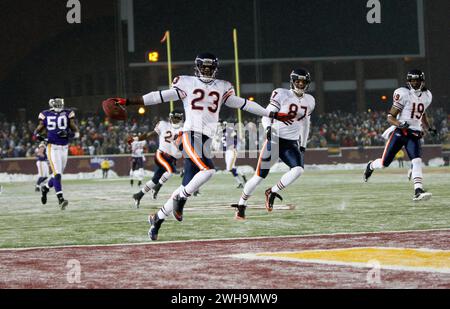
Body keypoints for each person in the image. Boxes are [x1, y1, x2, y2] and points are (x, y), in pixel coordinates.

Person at [107, 52, 294, 240]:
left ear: (215, 69)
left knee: (186, 185)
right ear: (197, 67)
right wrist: (128, 101)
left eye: (210, 67)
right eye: (203, 67)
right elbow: (158, 96)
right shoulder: (186, 82)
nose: (206, 70)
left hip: (205, 139)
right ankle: (181, 199)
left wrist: (272, 115)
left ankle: (157, 219)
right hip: (190, 134)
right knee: (208, 170)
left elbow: (244, 104)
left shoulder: (223, 87)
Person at [232, 69, 316, 220]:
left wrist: (302, 145)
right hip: (275, 140)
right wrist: (268, 128)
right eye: (298, 81)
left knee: (298, 170)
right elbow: (266, 114)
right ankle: (241, 205)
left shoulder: (310, 100)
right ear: (292, 81)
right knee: (258, 178)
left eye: (303, 82)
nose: (300, 84)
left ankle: (272, 191)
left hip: (291, 143)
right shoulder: (282, 94)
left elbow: (305, 124)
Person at [363, 69, 436, 201]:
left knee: (417, 160)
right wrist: (399, 124)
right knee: (385, 163)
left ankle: (418, 190)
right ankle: (371, 166)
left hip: (414, 133)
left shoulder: (427, 95)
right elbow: (390, 117)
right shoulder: (403, 93)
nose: (414, 83)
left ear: (422, 81)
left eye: (417, 80)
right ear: (408, 81)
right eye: (412, 80)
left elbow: (422, 113)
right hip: (400, 132)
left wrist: (429, 128)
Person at [34, 97, 80, 209]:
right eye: (57, 103)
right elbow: (36, 133)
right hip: (52, 147)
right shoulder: (45, 114)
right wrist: (39, 137)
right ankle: (61, 199)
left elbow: (77, 133)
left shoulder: (68, 113)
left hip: (64, 148)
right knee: (57, 174)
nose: (59, 105)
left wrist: (68, 135)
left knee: (57, 175)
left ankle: (45, 188)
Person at [133, 110, 184, 208]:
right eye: (175, 118)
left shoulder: (183, 129)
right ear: (170, 117)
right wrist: (137, 139)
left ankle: (138, 195)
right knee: (170, 171)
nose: (176, 120)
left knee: (155, 180)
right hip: (161, 155)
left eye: (178, 118)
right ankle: (157, 188)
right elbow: (150, 134)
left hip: (172, 158)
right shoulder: (163, 125)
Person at [221, 121, 247, 188]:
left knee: (230, 167)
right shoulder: (222, 132)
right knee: (230, 168)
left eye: (222, 125)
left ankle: (242, 178)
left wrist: (234, 146)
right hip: (227, 152)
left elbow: (237, 139)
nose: (221, 126)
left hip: (231, 151)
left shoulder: (229, 130)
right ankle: (241, 181)